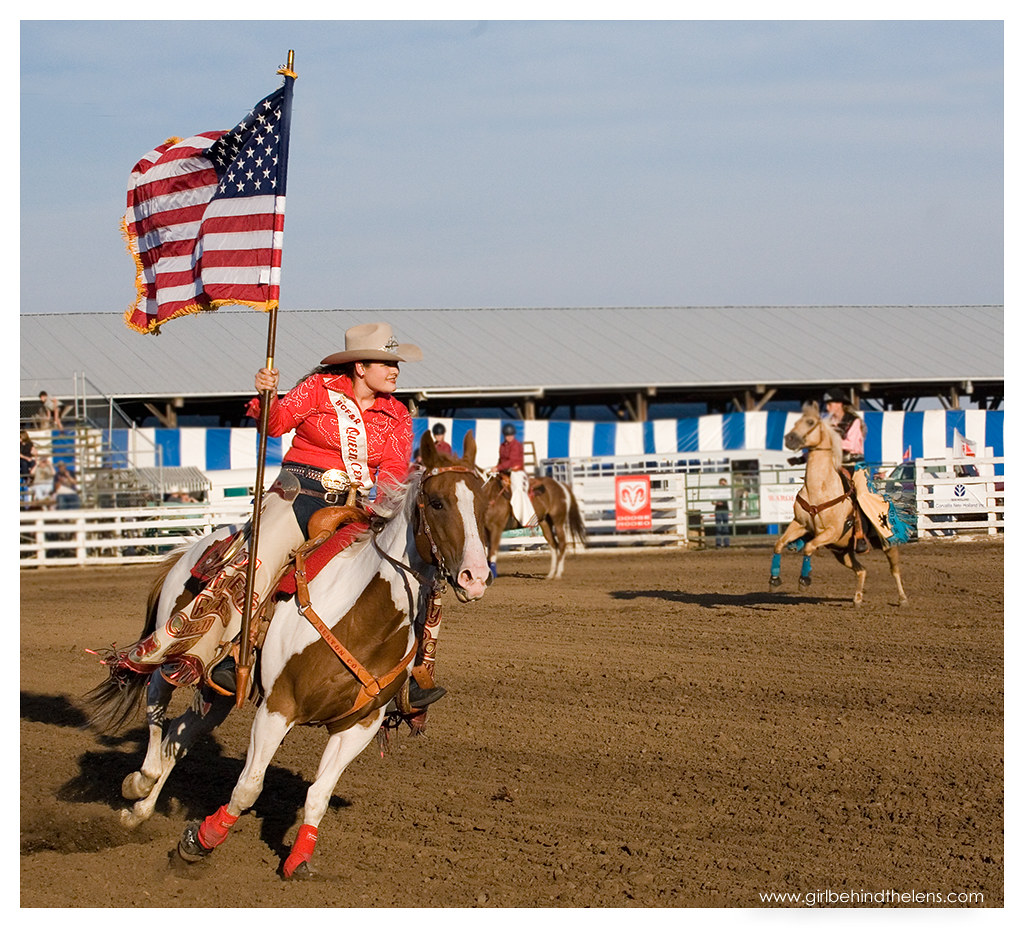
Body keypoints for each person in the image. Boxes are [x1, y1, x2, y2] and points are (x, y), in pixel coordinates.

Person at [114, 323, 445, 709]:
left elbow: (391, 469)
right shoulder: (319, 390)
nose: (395, 371)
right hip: (297, 497)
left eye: (396, 364)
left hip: (354, 508)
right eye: (386, 363)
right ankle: (226, 651)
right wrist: (267, 395)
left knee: (410, 574)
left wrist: (384, 511)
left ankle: (408, 673)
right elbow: (276, 424)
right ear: (359, 367)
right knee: (257, 566)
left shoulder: (397, 413)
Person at [491, 423, 532, 525]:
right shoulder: (502, 446)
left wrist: (498, 467)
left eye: (510, 435)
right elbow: (501, 459)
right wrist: (497, 469)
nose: (509, 437)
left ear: (513, 435)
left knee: (517, 489)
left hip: (516, 471)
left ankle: (527, 519)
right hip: (504, 471)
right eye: (507, 435)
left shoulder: (516, 445)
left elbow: (512, 461)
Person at [20, 431, 37, 502]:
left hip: (29, 459)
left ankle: (31, 478)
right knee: (24, 464)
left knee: (33, 463)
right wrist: (27, 458)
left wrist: (35, 459)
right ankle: (26, 478)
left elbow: (35, 452)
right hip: (21, 459)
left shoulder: (29, 444)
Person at [713, 478, 731, 548]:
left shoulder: (727, 491)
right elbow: (712, 501)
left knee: (726, 527)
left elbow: (731, 491)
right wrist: (717, 503)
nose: (722, 485)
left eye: (724, 483)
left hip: (725, 509)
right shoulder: (716, 491)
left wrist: (726, 485)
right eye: (721, 483)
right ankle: (718, 543)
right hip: (718, 509)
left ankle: (727, 543)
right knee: (718, 527)